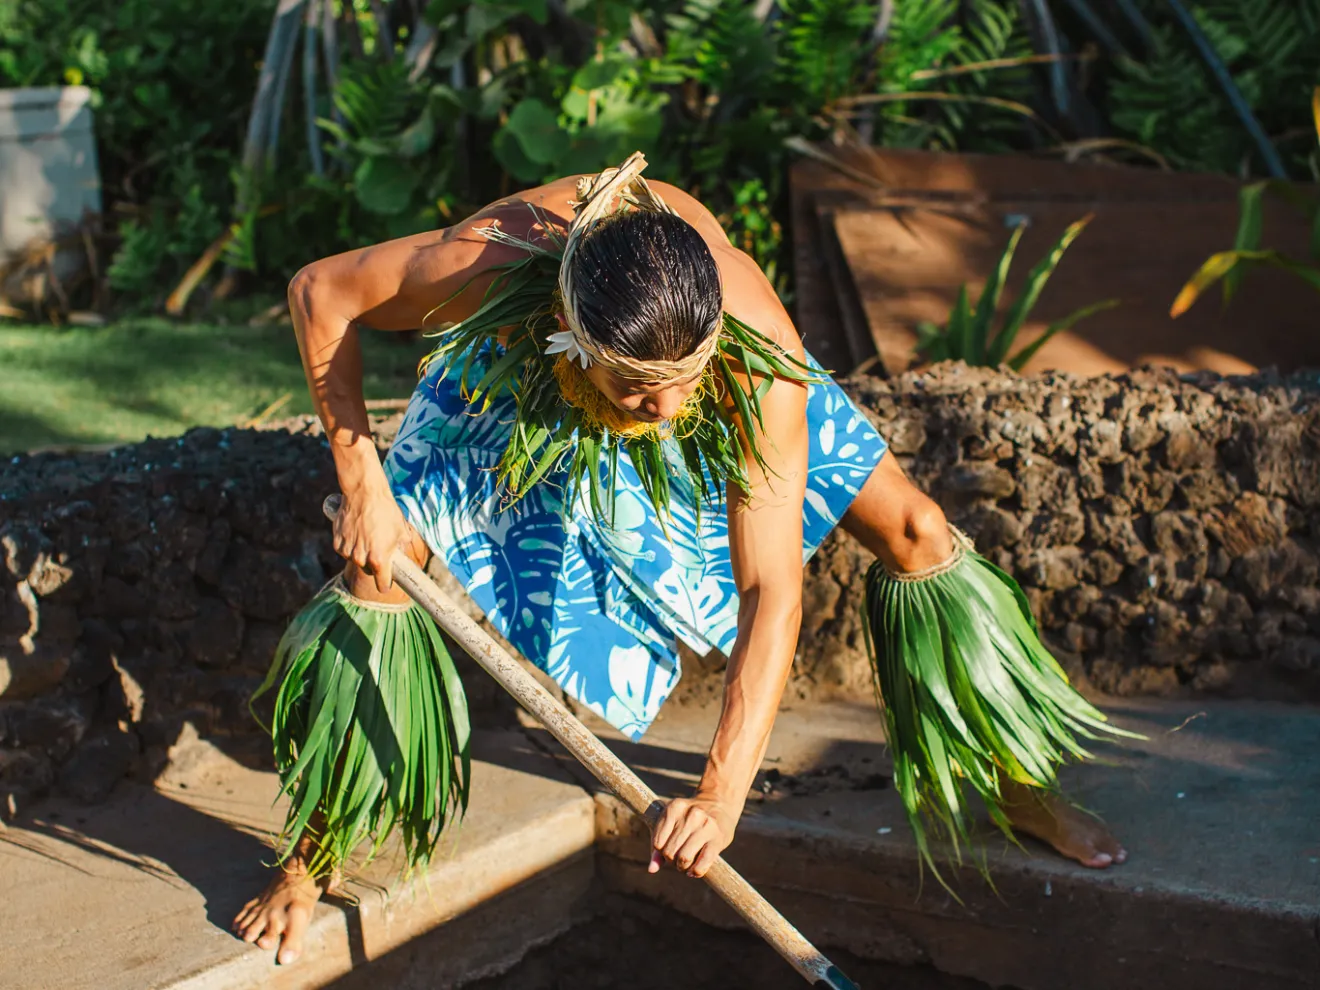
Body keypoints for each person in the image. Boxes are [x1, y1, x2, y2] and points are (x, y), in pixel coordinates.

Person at [232, 155, 1128, 965]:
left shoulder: (754, 361)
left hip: (703, 379)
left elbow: (772, 587)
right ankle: (314, 857)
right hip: (514, 381)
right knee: (380, 569)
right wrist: (361, 482)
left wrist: (720, 798)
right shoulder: (489, 262)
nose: (660, 415)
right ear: (573, 335)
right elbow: (321, 292)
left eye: (677, 390)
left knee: (919, 532)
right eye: (638, 393)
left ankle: (1017, 786)